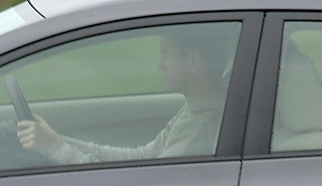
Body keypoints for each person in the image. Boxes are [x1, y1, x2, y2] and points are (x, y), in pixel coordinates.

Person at [15, 33, 231, 164]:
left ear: (193, 61)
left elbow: (140, 185)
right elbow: (142, 158)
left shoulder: (202, 130)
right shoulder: (197, 108)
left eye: (165, 55)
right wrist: (57, 141)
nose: (160, 66)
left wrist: (56, 149)